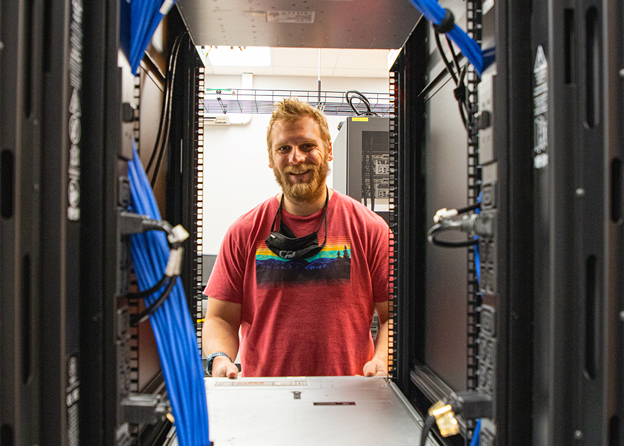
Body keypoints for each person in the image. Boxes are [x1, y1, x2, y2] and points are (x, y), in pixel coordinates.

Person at [202, 98, 390, 378]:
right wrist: (219, 359)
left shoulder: (370, 229)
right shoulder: (244, 232)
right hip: (266, 399)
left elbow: (391, 316)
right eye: (284, 148)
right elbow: (220, 317)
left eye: (307, 146)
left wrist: (382, 359)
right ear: (270, 158)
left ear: (328, 150)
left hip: (350, 395)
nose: (296, 158)